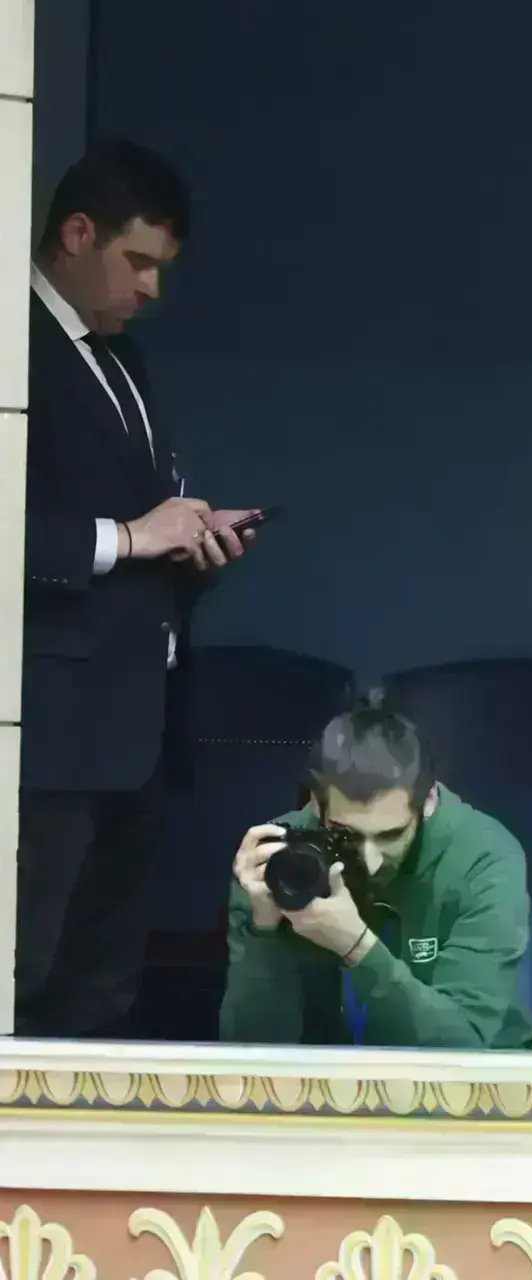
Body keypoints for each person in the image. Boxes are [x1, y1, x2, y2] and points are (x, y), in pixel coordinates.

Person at [18, 139, 263, 1038]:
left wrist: (188, 549)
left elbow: (145, 529)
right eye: (138, 262)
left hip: (138, 723)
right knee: (24, 969)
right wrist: (128, 537)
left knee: (104, 986)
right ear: (77, 233)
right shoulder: (12, 339)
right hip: (48, 729)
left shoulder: (125, 361)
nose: (152, 288)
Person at [221, 706, 532, 1050]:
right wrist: (264, 931)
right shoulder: (276, 859)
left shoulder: (485, 856)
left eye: (390, 836)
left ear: (429, 801)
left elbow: (461, 1049)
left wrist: (356, 946)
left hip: (485, 1075)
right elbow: (248, 1055)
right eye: (347, 835)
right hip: (331, 1077)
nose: (371, 862)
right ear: (316, 804)